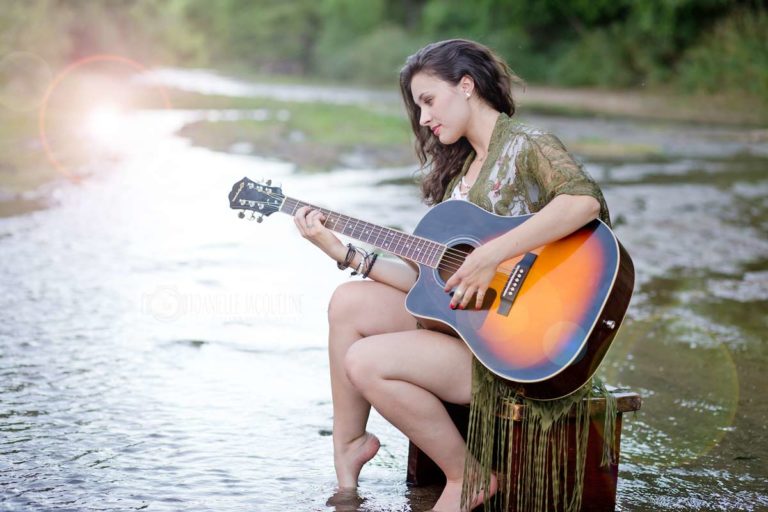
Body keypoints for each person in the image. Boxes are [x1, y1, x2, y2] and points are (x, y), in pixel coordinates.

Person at [294, 39, 610, 512]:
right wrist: (342, 251)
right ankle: (349, 448)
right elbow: (433, 291)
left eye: (428, 100)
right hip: (467, 330)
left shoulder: (526, 145)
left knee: (365, 361)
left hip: (516, 348)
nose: (422, 118)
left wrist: (492, 255)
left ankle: (468, 477)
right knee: (348, 300)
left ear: (467, 86)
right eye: (418, 106)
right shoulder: (459, 172)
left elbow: (584, 202)